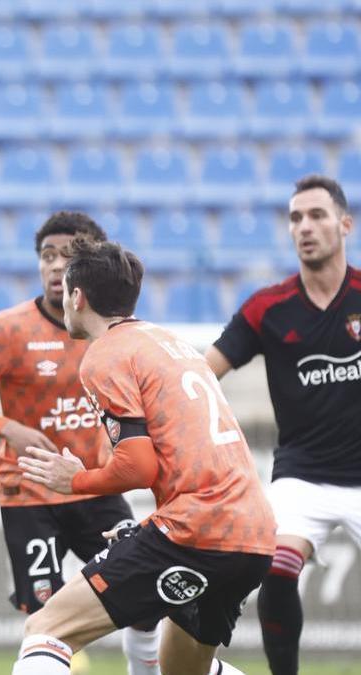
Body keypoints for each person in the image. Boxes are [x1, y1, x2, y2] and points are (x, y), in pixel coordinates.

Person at [13, 237, 275, 675]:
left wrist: (74, 480)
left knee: (46, 629)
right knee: (181, 671)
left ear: (77, 298)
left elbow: (139, 466)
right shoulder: (169, 343)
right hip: (252, 534)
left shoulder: (106, 355)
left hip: (198, 529)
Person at [0, 212, 159, 675]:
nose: (56, 266)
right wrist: (6, 428)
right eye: (46, 255)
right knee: (47, 614)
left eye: (68, 255)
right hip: (29, 490)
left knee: (144, 596)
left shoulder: (118, 334)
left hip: (95, 487)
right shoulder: (8, 328)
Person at [205, 175, 361, 675]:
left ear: (345, 224)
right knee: (274, 565)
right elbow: (202, 374)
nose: (305, 227)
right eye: (296, 218)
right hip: (302, 475)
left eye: (317, 215)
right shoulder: (267, 308)